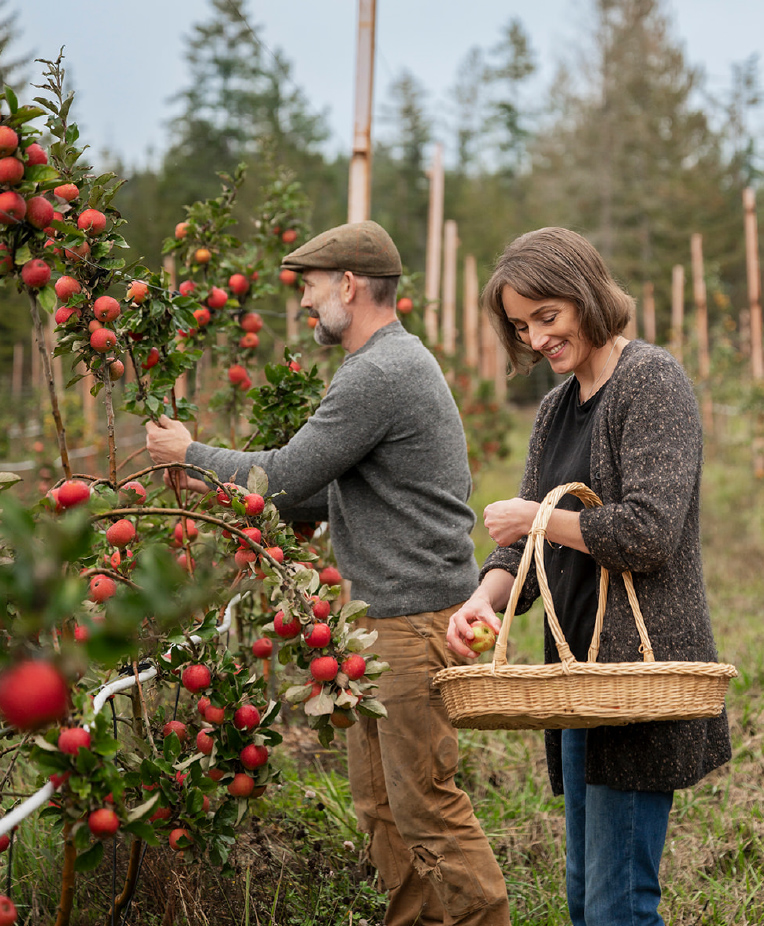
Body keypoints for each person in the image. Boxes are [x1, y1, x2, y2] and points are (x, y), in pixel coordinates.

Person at [146, 221, 511, 926]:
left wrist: (190, 451)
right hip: (378, 623)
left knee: (425, 807)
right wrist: (211, 486)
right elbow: (326, 490)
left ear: (348, 285)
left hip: (412, 622)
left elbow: (282, 477)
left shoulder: (380, 371)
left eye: (311, 289)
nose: (306, 305)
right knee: (381, 808)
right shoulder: (383, 366)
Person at [446, 227, 732, 926]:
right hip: (576, 680)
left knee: (618, 907)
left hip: (638, 678)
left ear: (585, 294)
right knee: (586, 898)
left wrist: (539, 522)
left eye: (548, 316)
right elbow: (523, 548)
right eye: (521, 326)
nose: (537, 338)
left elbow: (649, 533)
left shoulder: (651, 383)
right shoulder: (554, 408)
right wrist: (484, 598)